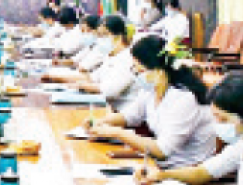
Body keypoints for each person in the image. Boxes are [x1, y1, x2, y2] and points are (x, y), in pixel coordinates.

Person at [86, 34, 216, 168]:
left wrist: (117, 133)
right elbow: (130, 116)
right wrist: (101, 122)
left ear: (159, 70)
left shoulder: (184, 98)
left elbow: (162, 151)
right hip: (161, 165)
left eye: (140, 70)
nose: (137, 75)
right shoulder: (151, 91)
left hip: (185, 170)